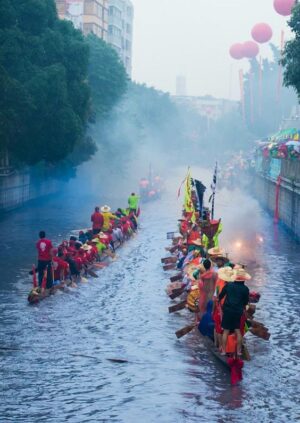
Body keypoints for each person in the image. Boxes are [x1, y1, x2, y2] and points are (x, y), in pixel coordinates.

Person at [218, 268, 250, 356]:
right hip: (238, 311)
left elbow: (220, 296)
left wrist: (219, 302)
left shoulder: (229, 285)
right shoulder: (245, 289)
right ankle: (239, 351)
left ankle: (224, 350)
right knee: (237, 330)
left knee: (226, 330)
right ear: (244, 279)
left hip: (228, 310)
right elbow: (246, 302)